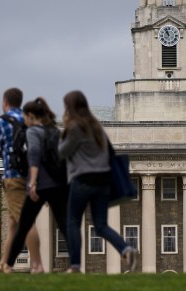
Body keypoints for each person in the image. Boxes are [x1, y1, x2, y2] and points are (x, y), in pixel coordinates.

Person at [58, 90, 136, 273]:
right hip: (103, 182)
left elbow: (62, 152)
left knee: (72, 221)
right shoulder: (97, 127)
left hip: (83, 180)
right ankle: (125, 249)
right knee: (101, 226)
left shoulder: (76, 127)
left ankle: (75, 265)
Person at [3, 97, 69, 273]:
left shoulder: (33, 131)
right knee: (64, 225)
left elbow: (34, 155)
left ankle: (8, 266)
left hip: (41, 186)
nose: (25, 120)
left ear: (30, 115)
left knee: (23, 226)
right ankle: (76, 264)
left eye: (25, 117)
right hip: (59, 186)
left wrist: (32, 182)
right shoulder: (55, 131)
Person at [0, 88, 43, 273]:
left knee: (26, 222)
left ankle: (37, 264)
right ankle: (5, 264)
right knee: (13, 223)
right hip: (32, 176)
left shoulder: (1, 122)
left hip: (14, 177)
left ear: (5, 102)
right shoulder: (31, 121)